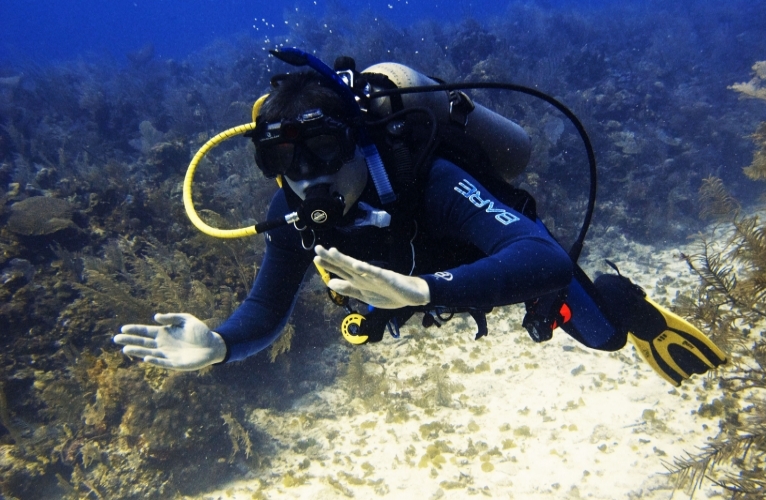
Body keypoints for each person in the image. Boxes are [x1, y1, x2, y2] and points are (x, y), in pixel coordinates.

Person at [114, 52, 726, 387]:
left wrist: (425, 290)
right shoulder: (293, 211)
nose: (307, 176)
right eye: (281, 160)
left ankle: (634, 309)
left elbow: (543, 257)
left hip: (488, 264)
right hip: (415, 289)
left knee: (604, 336)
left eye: (324, 149)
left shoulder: (429, 181)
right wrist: (220, 345)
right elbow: (266, 309)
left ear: (359, 141)